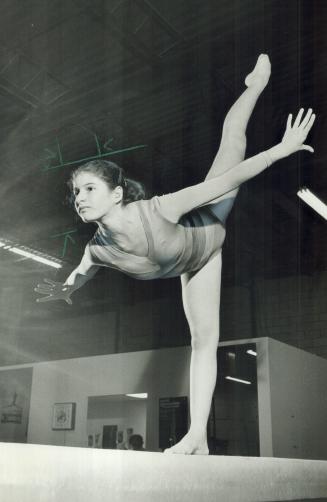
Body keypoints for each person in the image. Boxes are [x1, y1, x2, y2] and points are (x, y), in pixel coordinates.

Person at [35, 55, 315, 454]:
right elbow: (81, 273)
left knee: (232, 141)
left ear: (116, 194)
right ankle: (197, 436)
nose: (80, 198)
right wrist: (67, 290)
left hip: (207, 220)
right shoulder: (97, 249)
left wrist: (279, 151)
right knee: (203, 340)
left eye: (90, 188)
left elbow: (229, 179)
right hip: (200, 262)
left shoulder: (157, 209)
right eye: (76, 192)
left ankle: (254, 84)